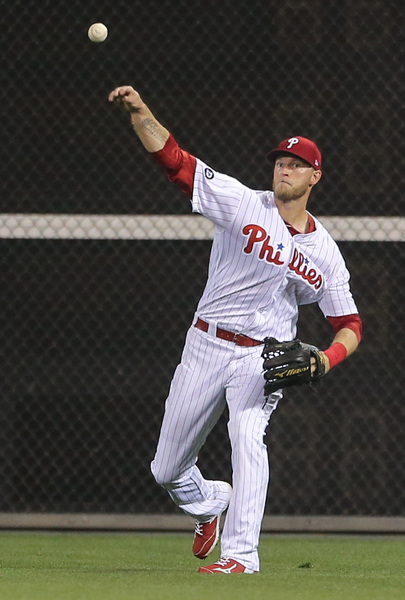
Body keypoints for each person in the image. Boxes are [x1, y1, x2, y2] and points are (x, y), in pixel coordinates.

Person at [108, 86, 362, 574]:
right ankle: (208, 503)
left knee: (247, 436)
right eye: (280, 162)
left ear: (315, 176)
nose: (284, 169)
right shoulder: (243, 204)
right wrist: (140, 112)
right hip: (206, 342)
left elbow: (349, 324)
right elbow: (176, 163)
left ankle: (241, 556)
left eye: (296, 164)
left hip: (261, 357)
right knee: (166, 468)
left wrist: (326, 359)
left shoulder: (325, 253)